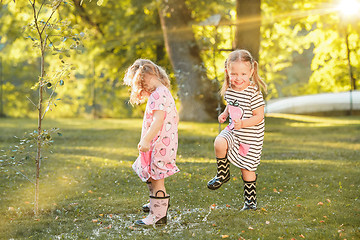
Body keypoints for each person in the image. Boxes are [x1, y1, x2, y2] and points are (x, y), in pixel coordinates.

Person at [207, 49, 267, 211]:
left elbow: (259, 116)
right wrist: (225, 113)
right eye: (234, 74)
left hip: (250, 136)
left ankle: (250, 201)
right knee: (219, 142)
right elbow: (232, 104)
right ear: (227, 72)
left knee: (247, 169)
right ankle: (223, 174)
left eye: (242, 74)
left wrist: (244, 123)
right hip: (234, 130)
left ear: (251, 72)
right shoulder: (229, 89)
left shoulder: (253, 93)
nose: (238, 78)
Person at [123, 59, 180, 225]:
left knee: (156, 178)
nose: (142, 89)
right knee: (145, 169)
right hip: (163, 143)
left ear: (143, 79)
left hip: (158, 145)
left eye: (141, 84)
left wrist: (146, 139)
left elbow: (158, 121)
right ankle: (156, 202)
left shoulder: (157, 95)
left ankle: (158, 215)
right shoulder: (163, 91)